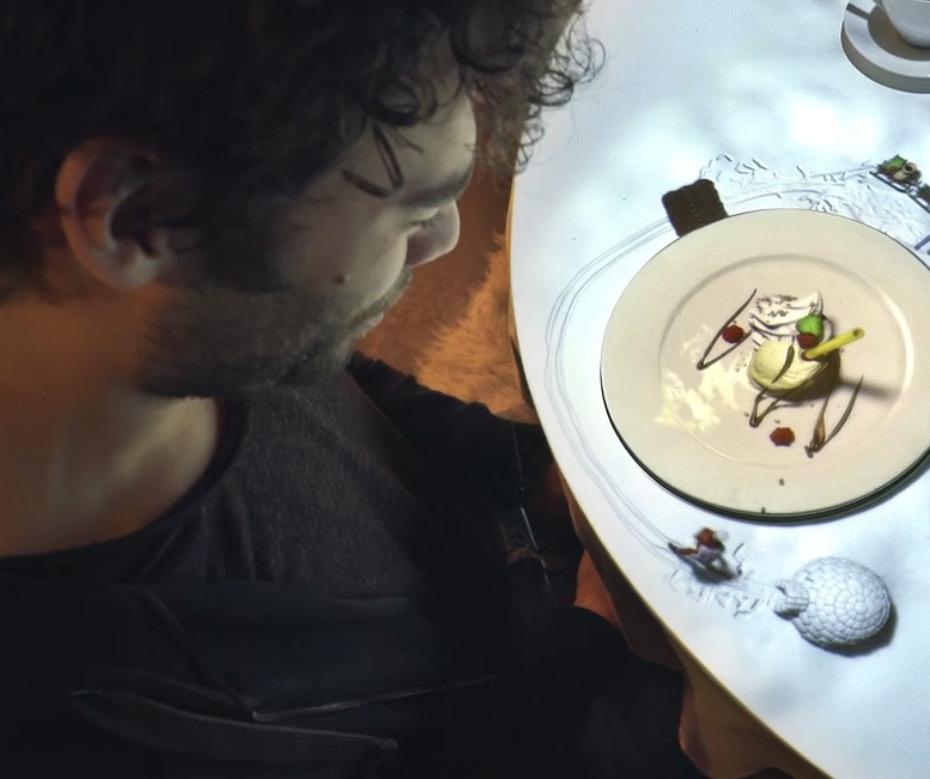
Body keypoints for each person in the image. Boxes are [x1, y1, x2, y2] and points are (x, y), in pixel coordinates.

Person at [0, 2, 701, 776]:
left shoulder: (197, 333)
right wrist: (589, 642)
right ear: (138, 218)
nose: (445, 239)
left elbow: (337, 387)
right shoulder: (89, 726)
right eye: (410, 211)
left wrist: (530, 465)